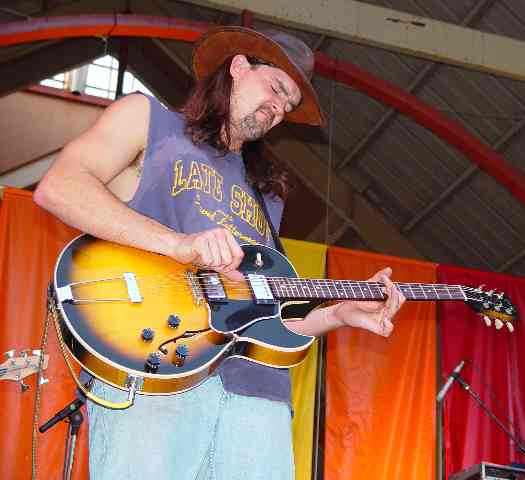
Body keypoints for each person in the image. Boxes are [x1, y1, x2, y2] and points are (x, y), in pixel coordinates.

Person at [34, 26, 406, 479]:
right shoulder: (150, 121)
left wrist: (338, 314)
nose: (279, 109)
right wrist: (179, 244)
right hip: (158, 371)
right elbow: (60, 187)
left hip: (258, 398)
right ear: (238, 66)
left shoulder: (267, 197)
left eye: (288, 106)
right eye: (277, 89)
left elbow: (258, 319)